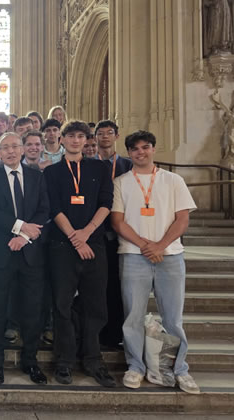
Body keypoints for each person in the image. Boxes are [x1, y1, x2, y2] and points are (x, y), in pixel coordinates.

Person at [111, 130, 200, 394]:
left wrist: (160, 246)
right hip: (133, 255)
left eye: (145, 147)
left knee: (173, 318)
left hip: (170, 255)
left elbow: (182, 219)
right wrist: (145, 245)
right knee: (133, 316)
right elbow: (117, 221)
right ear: (129, 153)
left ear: (153, 149)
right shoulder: (121, 182)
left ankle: (179, 369)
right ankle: (136, 366)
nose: (141, 152)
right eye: (135, 149)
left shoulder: (173, 180)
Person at [43, 120, 115, 388]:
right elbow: (54, 208)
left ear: (86, 140)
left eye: (80, 136)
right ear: (61, 139)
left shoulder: (100, 168)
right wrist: (75, 237)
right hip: (63, 246)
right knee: (62, 304)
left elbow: (106, 203)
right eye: (70, 136)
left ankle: (93, 360)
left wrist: (87, 233)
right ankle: (64, 361)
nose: (75, 140)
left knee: (94, 304)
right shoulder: (52, 172)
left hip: (93, 243)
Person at [0, 132, 50, 386]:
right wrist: (20, 227)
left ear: (22, 149)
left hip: (31, 253)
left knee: (32, 310)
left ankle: (30, 361)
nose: (10, 151)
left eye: (14, 146)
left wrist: (24, 237)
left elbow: (44, 210)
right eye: (5, 147)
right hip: (1, 254)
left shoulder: (36, 176)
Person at [94, 120, 133, 348]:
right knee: (98, 286)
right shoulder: (88, 163)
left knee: (118, 286)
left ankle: (117, 332)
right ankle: (97, 332)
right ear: (95, 137)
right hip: (97, 233)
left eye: (109, 133)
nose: (105, 137)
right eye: (100, 133)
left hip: (123, 232)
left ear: (117, 136)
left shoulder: (127, 165)